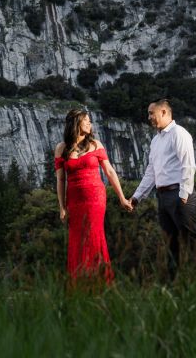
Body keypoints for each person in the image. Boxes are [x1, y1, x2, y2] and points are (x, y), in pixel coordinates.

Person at [124, 98, 196, 278]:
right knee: (171, 243)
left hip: (179, 195)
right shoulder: (155, 141)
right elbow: (151, 173)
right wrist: (136, 197)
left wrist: (184, 193)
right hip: (163, 197)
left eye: (151, 113)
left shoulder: (179, 134)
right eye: (148, 114)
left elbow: (188, 165)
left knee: (191, 239)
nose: (149, 117)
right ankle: (175, 284)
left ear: (164, 112)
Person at [54, 108, 129, 283]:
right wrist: (62, 207)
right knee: (77, 239)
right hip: (74, 200)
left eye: (90, 120)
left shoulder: (96, 144)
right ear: (76, 123)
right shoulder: (61, 148)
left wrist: (122, 198)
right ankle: (79, 283)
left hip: (95, 198)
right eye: (86, 120)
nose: (90, 123)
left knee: (94, 236)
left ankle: (99, 282)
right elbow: (60, 180)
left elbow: (109, 172)